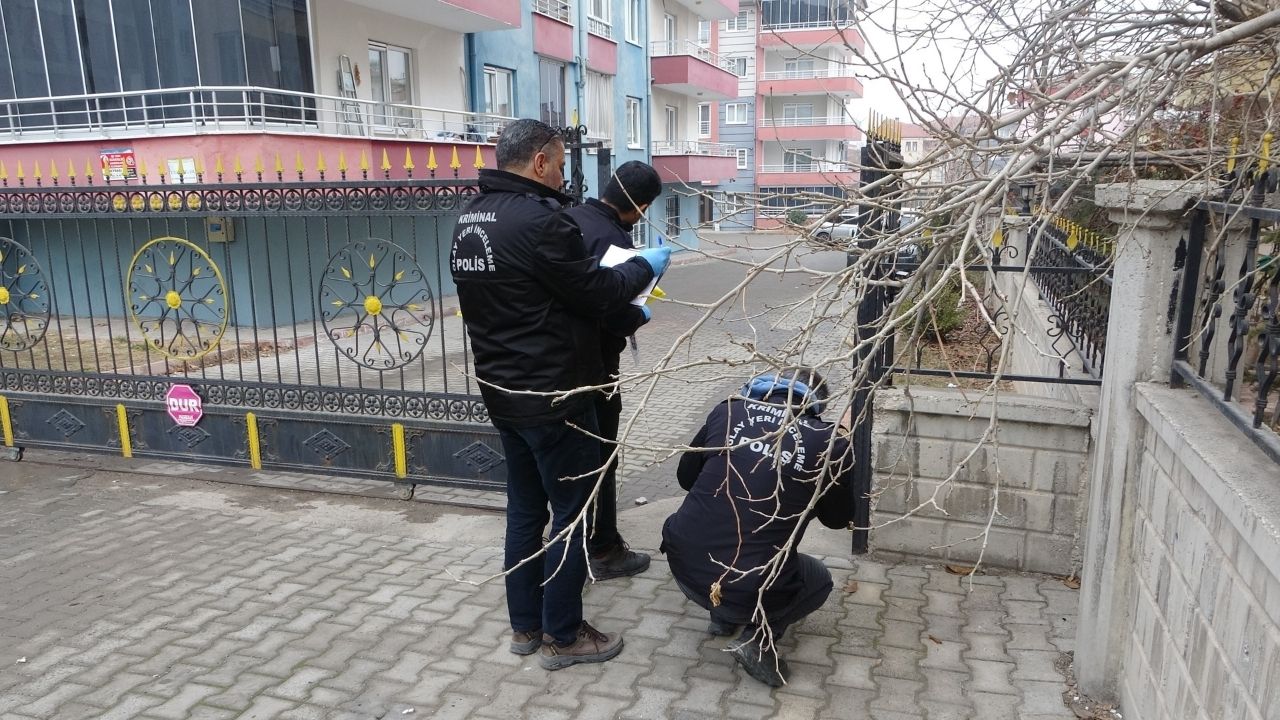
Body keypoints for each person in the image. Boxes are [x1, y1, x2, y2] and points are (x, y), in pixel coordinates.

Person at [449, 118, 672, 670]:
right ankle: (564, 635)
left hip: (503, 391)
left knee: (525, 511)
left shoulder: (469, 221)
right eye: (562, 161)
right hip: (557, 396)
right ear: (541, 161)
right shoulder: (541, 222)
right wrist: (645, 265)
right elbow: (597, 292)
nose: (565, 172)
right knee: (570, 516)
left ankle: (525, 626)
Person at [661, 367, 854, 687]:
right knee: (818, 581)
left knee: (723, 531)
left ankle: (722, 617)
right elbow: (837, 520)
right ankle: (758, 640)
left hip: (682, 563)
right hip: (748, 583)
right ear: (818, 404)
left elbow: (685, 478)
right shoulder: (827, 442)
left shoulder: (728, 410)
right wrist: (843, 444)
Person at [564, 161, 664, 581]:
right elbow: (611, 311)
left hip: (554, 366)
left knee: (569, 462)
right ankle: (603, 548)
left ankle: (573, 542)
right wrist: (641, 313)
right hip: (597, 367)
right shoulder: (614, 239)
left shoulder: (567, 220)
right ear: (640, 206)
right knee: (602, 458)